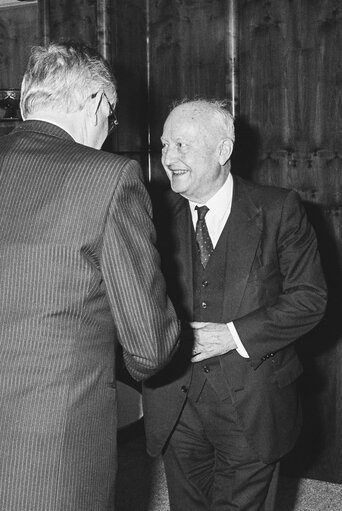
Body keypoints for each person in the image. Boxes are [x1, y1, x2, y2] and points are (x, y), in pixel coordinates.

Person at [0, 41, 180, 511]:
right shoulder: (107, 177)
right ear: (95, 101)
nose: (107, 129)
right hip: (48, 450)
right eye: (111, 116)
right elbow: (149, 346)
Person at [143, 99, 327, 511]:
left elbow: (309, 298)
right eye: (164, 146)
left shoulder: (279, 209)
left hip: (252, 398)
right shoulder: (152, 215)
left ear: (223, 151)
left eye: (182, 146)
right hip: (176, 401)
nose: (168, 159)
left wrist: (232, 335)